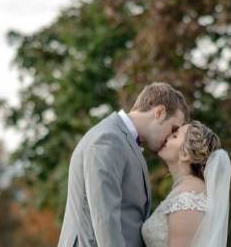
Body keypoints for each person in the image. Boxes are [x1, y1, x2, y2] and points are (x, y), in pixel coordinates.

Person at [57, 82, 189, 247]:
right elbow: (105, 219)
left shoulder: (123, 141)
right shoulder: (108, 139)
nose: (170, 137)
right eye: (173, 128)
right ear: (160, 112)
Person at [141, 121, 231, 247]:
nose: (167, 138)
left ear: (185, 154)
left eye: (175, 136)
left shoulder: (189, 200)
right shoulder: (183, 189)